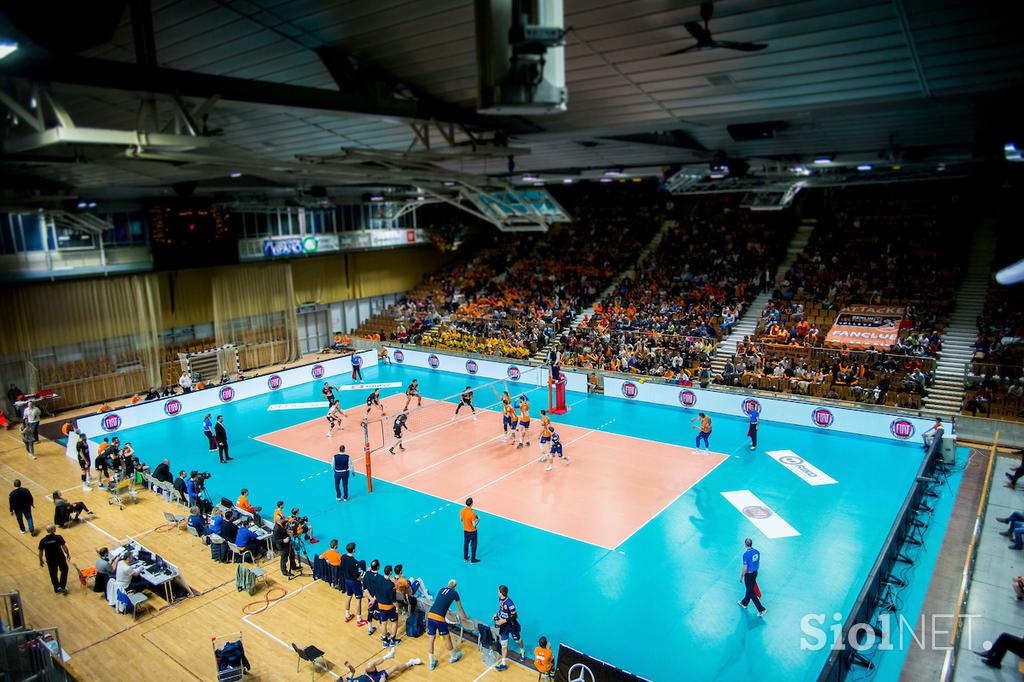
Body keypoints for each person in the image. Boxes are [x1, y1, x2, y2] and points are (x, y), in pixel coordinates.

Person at [426, 579, 469, 670]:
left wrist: (447, 609)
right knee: (447, 637)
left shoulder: (441, 589)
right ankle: (454, 657)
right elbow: (460, 608)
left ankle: (431, 662)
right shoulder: (455, 593)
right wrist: (464, 617)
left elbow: (440, 601)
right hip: (439, 619)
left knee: (431, 639)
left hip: (430, 615)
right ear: (455, 587)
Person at [494, 585, 524, 671]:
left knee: (518, 640)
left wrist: (504, 620)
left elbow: (515, 616)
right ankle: (504, 664)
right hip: (504, 627)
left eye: (498, 591)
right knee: (504, 645)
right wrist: (497, 614)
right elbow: (501, 610)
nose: (497, 592)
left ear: (501, 593)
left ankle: (522, 651)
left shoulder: (510, 603)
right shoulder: (500, 600)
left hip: (511, 625)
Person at [38, 525, 71, 594]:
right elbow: (63, 546)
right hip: (60, 558)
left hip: (50, 560)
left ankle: (57, 588)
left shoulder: (43, 540)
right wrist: (67, 553)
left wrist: (40, 560)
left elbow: (40, 551)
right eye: (54, 528)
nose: (55, 528)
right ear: (52, 530)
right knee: (64, 570)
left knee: (53, 574)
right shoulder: (58, 537)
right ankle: (62, 586)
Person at [737, 537, 766, 616]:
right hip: (755, 573)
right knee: (749, 589)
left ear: (745, 545)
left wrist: (741, 576)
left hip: (749, 575)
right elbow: (757, 562)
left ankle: (762, 609)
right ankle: (744, 603)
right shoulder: (757, 552)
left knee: (751, 592)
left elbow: (745, 568)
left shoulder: (746, 555)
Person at [343, 654, 421, 682]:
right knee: (395, 667)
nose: (344, 679)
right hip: (376, 679)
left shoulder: (348, 680)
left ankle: (388, 656)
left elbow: (353, 672)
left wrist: (349, 666)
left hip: (367, 674)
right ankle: (410, 663)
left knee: (370, 665)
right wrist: (381, 681)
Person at [342, 542, 367, 625]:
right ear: (353, 550)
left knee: (349, 596)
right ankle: (359, 620)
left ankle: (347, 615)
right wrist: (362, 578)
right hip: (354, 583)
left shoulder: (343, 557)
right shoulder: (354, 562)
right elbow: (357, 577)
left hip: (347, 580)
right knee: (358, 600)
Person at [272, 511, 299, 577]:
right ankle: (284, 571)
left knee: (292, 555)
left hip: (288, 543)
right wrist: (283, 540)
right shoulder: (276, 529)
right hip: (282, 546)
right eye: (283, 518)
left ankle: (293, 566)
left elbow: (287, 522)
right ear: (280, 520)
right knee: (284, 559)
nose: (284, 519)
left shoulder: (282, 523)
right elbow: (275, 540)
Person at [461, 498, 480, 563]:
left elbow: (461, 520)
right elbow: (474, 525)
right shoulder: (472, 513)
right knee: (473, 545)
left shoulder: (462, 510)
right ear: (471, 504)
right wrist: (478, 520)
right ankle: (473, 559)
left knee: (466, 543)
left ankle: (465, 558)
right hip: (472, 532)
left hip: (465, 531)